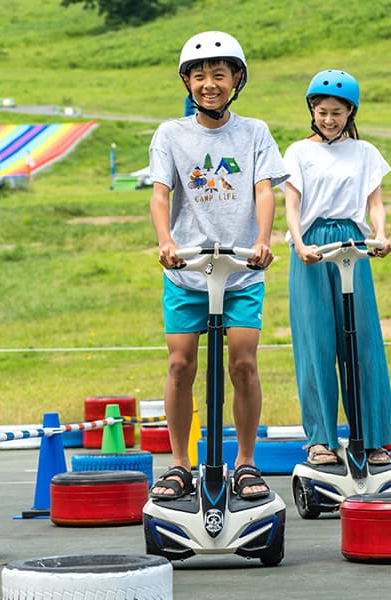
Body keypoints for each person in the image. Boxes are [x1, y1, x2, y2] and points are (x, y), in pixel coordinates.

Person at [148, 31, 288, 501]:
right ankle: (179, 464)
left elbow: (264, 190)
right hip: (187, 271)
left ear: (236, 80)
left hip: (241, 270)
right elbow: (160, 194)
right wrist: (166, 241)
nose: (210, 84)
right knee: (179, 364)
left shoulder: (255, 133)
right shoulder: (171, 134)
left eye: (219, 75)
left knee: (244, 363)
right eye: (200, 75)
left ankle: (246, 462)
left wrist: (263, 241)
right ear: (187, 82)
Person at [283, 69, 391, 466]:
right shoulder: (298, 152)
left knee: (362, 342)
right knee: (316, 342)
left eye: (337, 112)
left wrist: (380, 234)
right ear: (311, 110)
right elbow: (292, 205)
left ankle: (372, 437)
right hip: (313, 245)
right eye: (321, 111)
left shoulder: (365, 153)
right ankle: (320, 439)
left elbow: (375, 202)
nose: (328, 119)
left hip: (352, 241)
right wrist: (298, 244)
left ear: (351, 112)